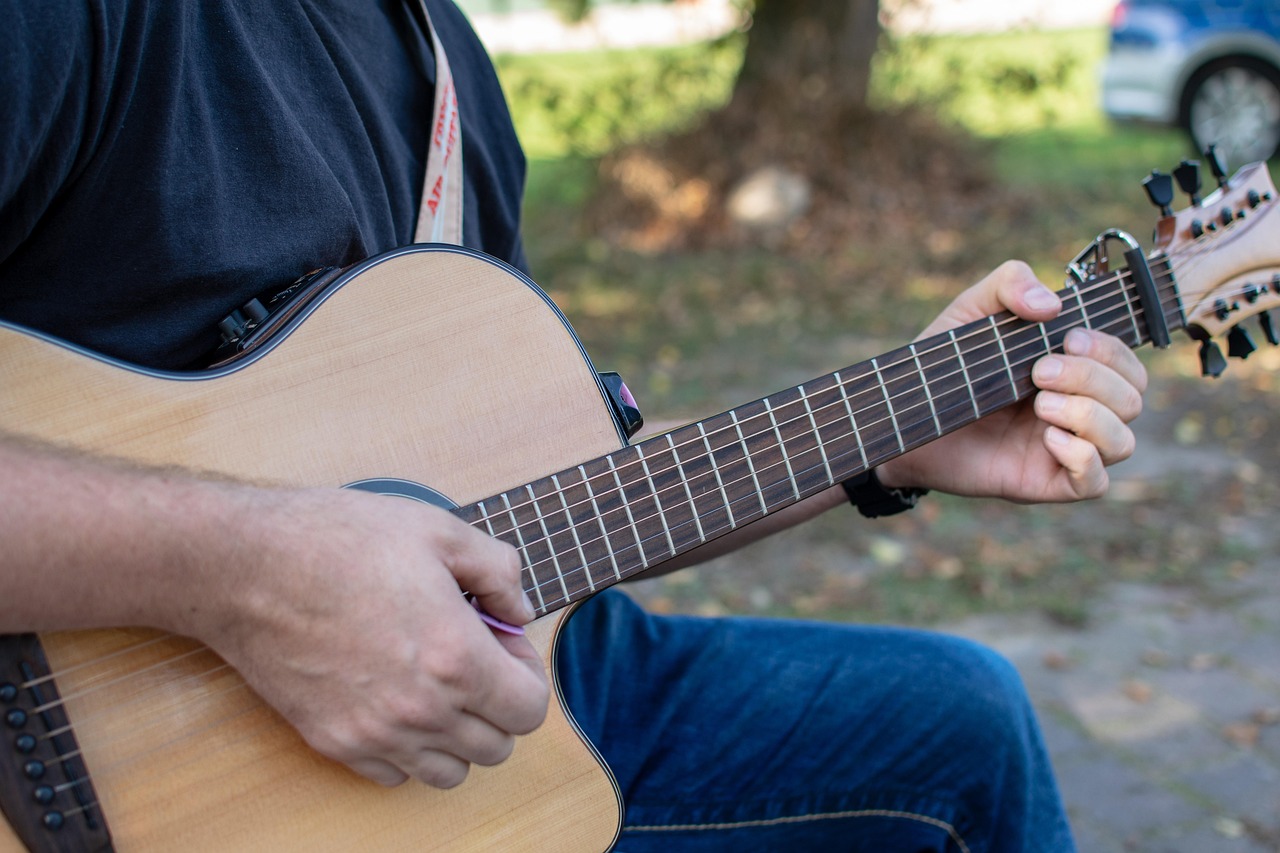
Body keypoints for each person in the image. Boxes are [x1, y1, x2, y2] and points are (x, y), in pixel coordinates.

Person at [0, 1, 1146, 849]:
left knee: (958, 726)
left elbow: (530, 490)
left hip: (507, 698)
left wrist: (884, 441)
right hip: (120, 771)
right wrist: (243, 572)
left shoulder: (443, 60)